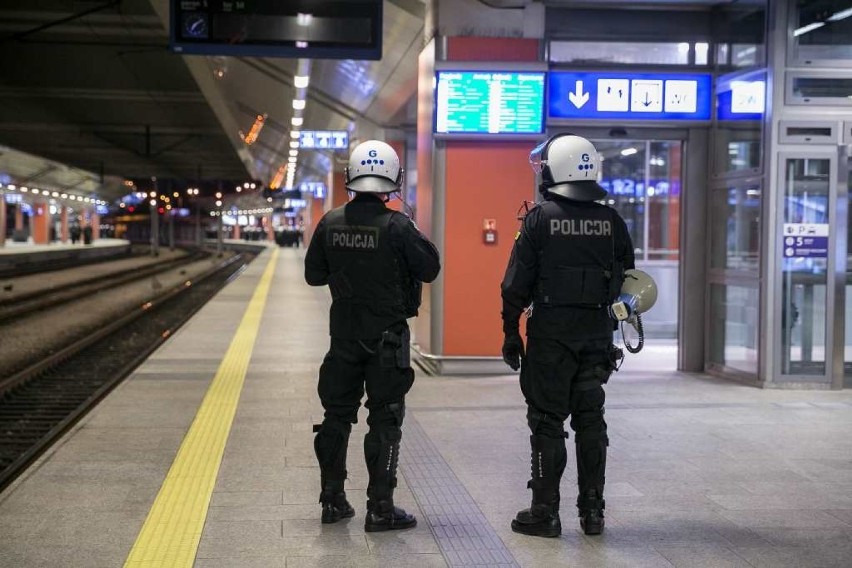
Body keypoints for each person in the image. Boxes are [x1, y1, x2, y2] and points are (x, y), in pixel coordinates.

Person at [500, 134, 635, 537]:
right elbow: (629, 278)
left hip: (551, 340)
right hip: (596, 338)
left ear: (555, 169)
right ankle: (593, 513)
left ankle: (545, 512)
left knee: (546, 421)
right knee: (591, 420)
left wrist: (511, 333)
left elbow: (514, 286)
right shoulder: (612, 221)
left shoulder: (540, 219)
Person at [305, 140, 440, 532]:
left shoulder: (329, 222)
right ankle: (380, 508)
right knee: (385, 418)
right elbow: (430, 268)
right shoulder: (398, 226)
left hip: (344, 338)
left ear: (351, 177)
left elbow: (313, 275)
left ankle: (332, 501)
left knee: (336, 416)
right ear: (393, 179)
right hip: (387, 341)